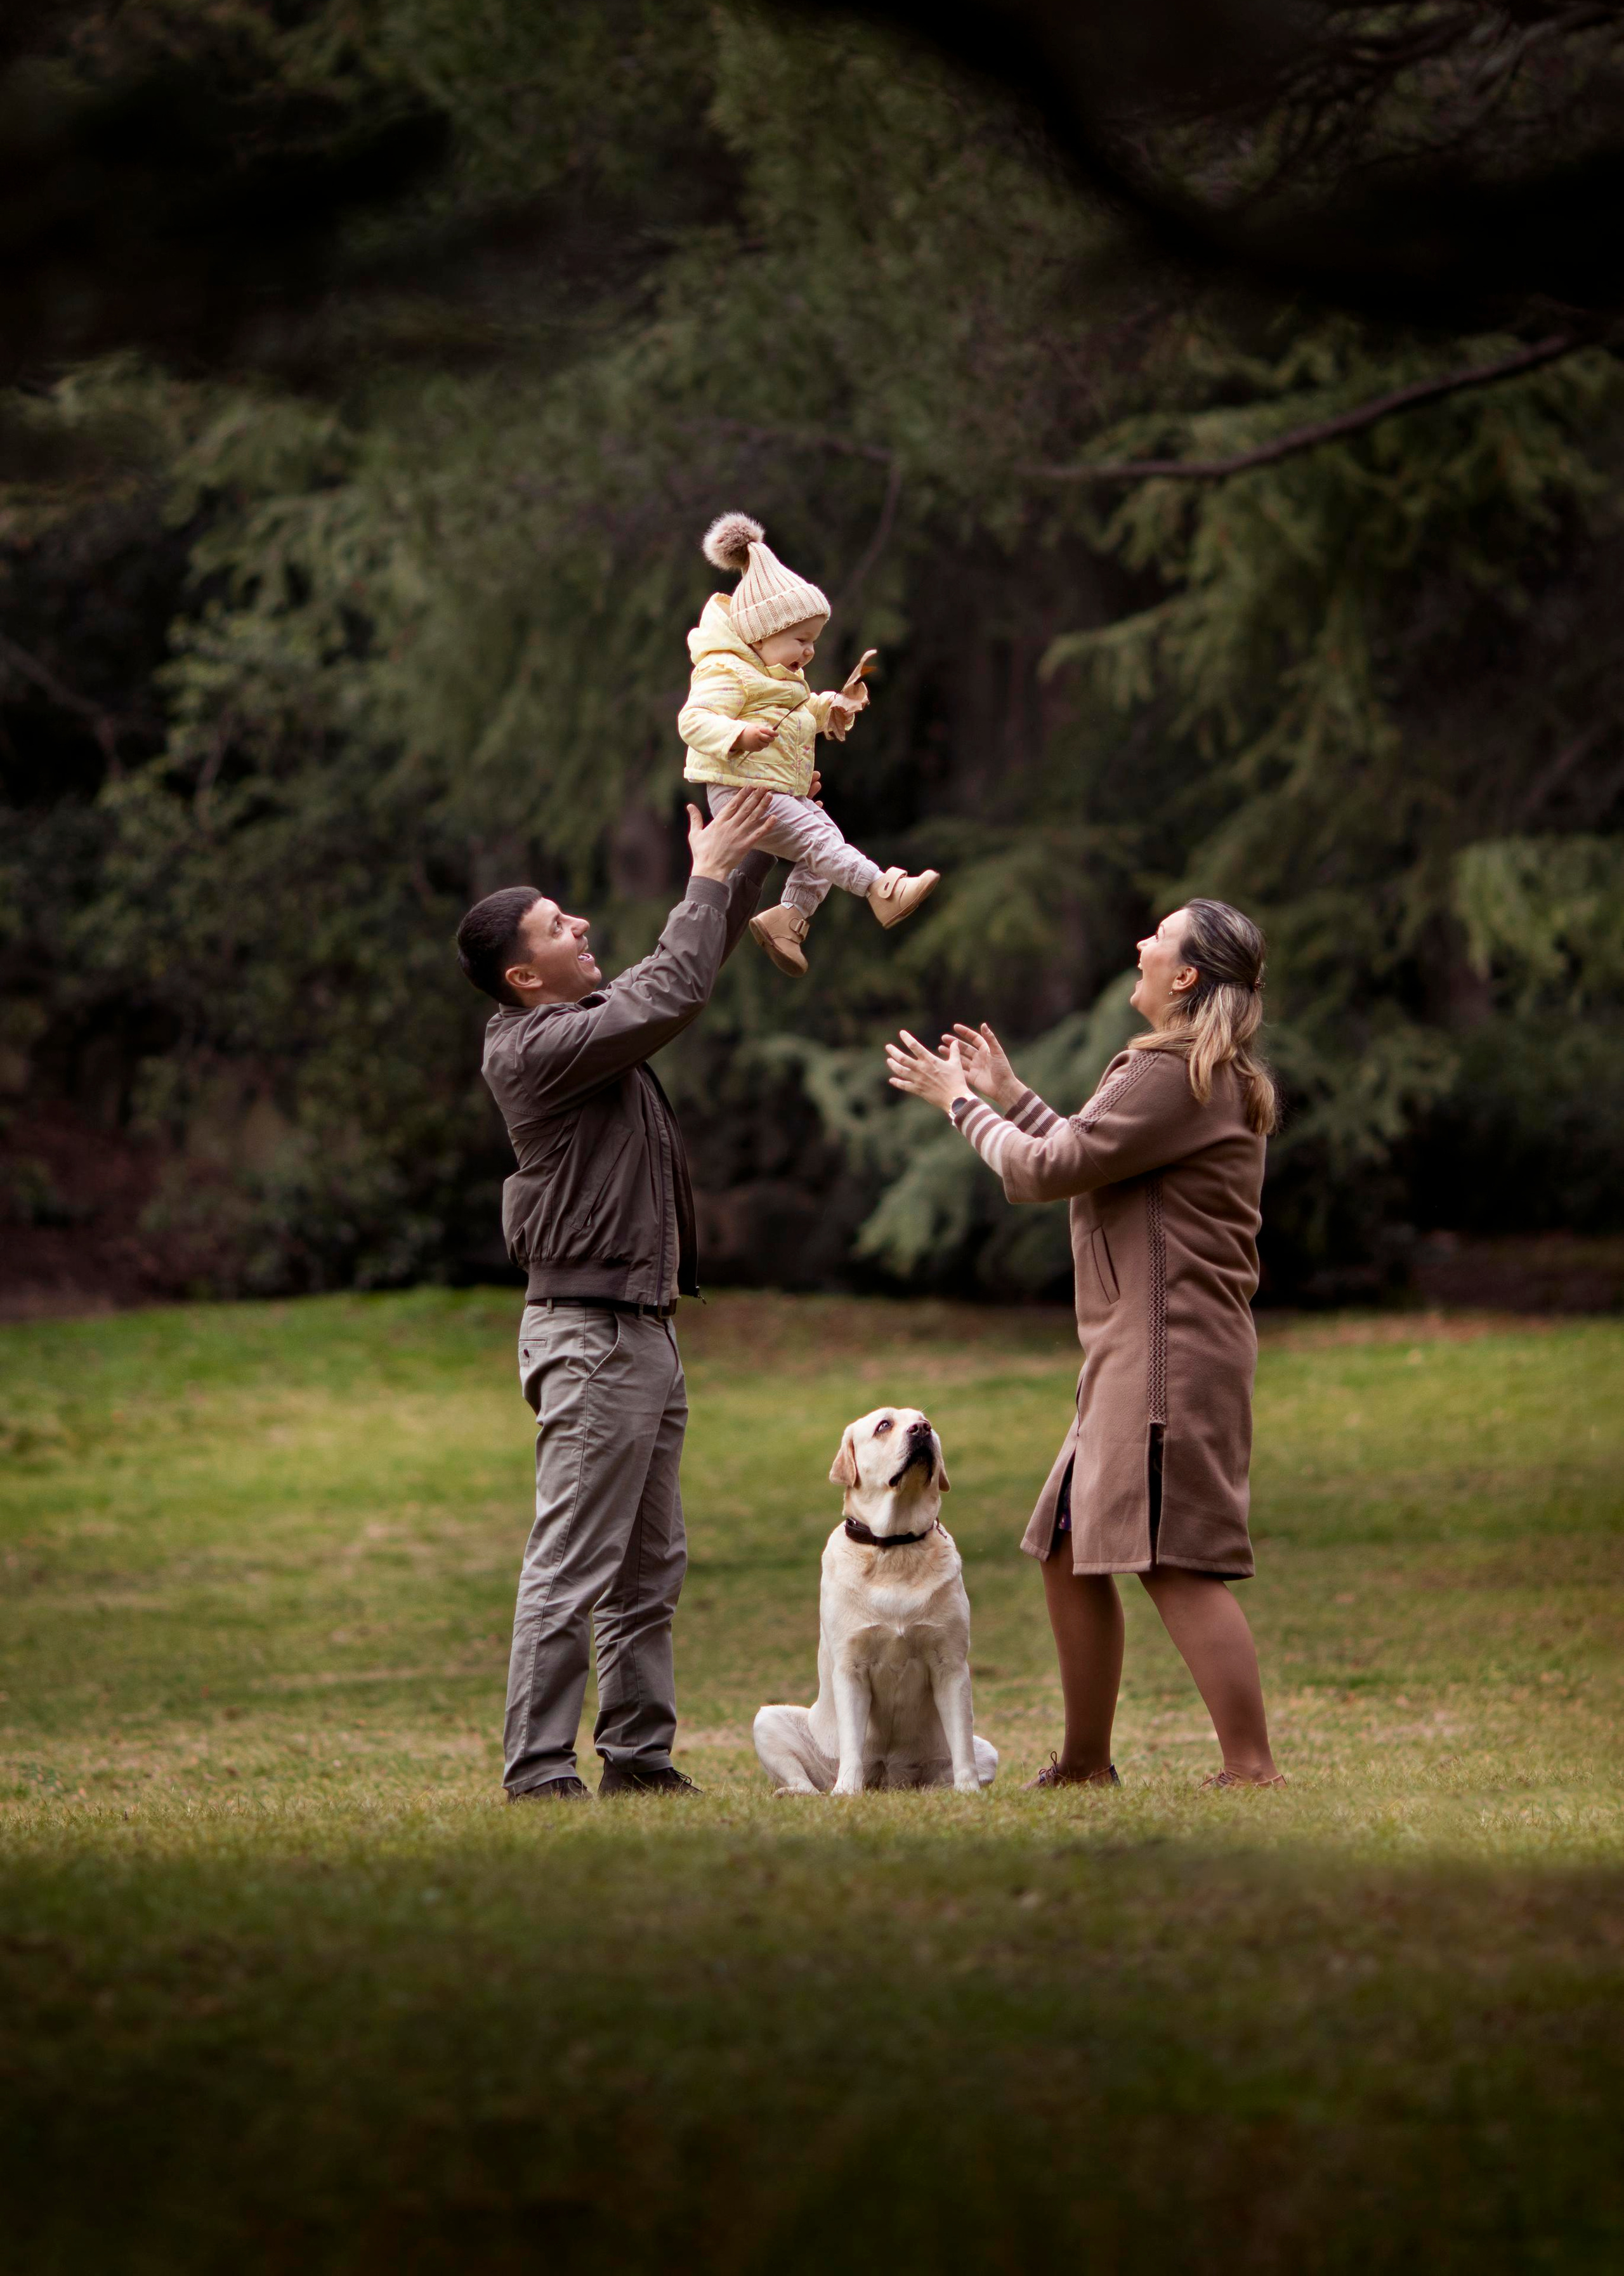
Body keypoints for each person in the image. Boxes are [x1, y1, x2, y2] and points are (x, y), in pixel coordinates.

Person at [884, 900, 1285, 1790]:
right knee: (1069, 1546)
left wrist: (957, 1105)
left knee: (1174, 1561)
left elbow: (1044, 1171)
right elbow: (1089, 1150)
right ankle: (1085, 1762)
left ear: (1185, 977)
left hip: (1165, 1358)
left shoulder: (1173, 1071)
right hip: (1139, 1353)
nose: (1139, 943)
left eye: (1159, 937)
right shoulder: (1183, 1073)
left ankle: (1251, 1768)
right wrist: (1012, 1097)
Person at [455, 784, 775, 1803]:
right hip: (590, 1338)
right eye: (557, 926)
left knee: (649, 1572)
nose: (580, 923)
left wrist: (753, 841)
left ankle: (638, 1760)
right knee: (574, 1566)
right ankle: (540, 1772)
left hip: (640, 1331)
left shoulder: (588, 1026)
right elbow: (671, 990)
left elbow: (687, 968)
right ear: (522, 974)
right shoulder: (539, 1050)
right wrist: (710, 873)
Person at [678, 510, 939, 978]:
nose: (809, 652)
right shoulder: (727, 671)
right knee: (820, 841)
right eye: (802, 639)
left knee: (825, 844)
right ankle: (882, 890)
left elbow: (795, 711)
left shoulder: (776, 678)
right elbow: (694, 720)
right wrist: (738, 735)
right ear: (762, 634)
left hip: (772, 787)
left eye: (814, 641)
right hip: (740, 792)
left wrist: (831, 709)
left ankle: (788, 919)